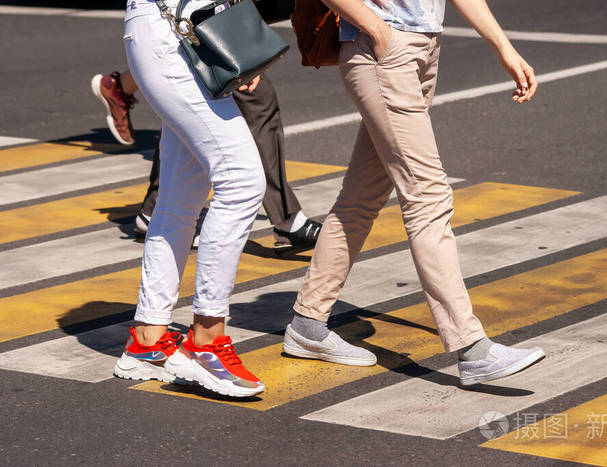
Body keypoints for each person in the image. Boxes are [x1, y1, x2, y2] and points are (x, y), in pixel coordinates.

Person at [281, 0, 544, 386]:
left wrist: (504, 46)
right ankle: (471, 348)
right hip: (382, 49)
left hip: (418, 48)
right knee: (428, 196)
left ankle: (308, 322)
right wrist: (376, 28)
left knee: (362, 195)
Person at [111, 0, 270, 397]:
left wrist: (238, 35)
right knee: (242, 180)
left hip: (192, 29)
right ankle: (206, 342)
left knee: (182, 194)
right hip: (172, 31)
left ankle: (146, 341)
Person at [92, 71, 321, 249]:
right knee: (248, 96)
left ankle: (157, 210)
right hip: (194, 21)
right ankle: (285, 220)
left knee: (191, 108)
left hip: (194, 23)